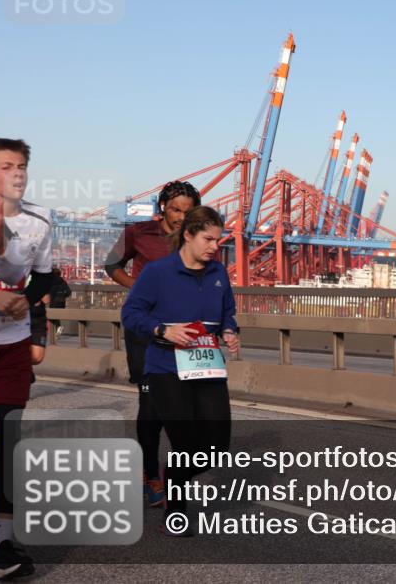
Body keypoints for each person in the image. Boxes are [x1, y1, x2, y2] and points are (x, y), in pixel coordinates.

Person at [121, 205, 239, 534]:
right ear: (188, 235)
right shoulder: (158, 273)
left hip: (208, 367)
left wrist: (230, 331)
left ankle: (171, 477)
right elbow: (130, 314)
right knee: (185, 443)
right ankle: (176, 509)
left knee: (216, 448)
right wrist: (162, 330)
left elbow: (228, 312)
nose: (215, 246)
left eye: (218, 240)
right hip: (166, 368)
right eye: (208, 239)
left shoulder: (218, 274)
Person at [0, 138, 55, 580]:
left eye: (23, 165)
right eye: (8, 166)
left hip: (10, 347)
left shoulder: (41, 223)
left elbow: (44, 277)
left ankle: (3, 547)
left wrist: (26, 299)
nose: (18, 174)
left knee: (9, 441)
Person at [105, 181, 200, 507]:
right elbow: (111, 265)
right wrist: (138, 288)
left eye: (188, 212)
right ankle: (151, 477)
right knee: (151, 405)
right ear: (162, 207)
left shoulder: (197, 239)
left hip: (186, 332)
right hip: (145, 330)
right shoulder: (138, 232)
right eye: (176, 210)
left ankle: (171, 473)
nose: (180, 217)